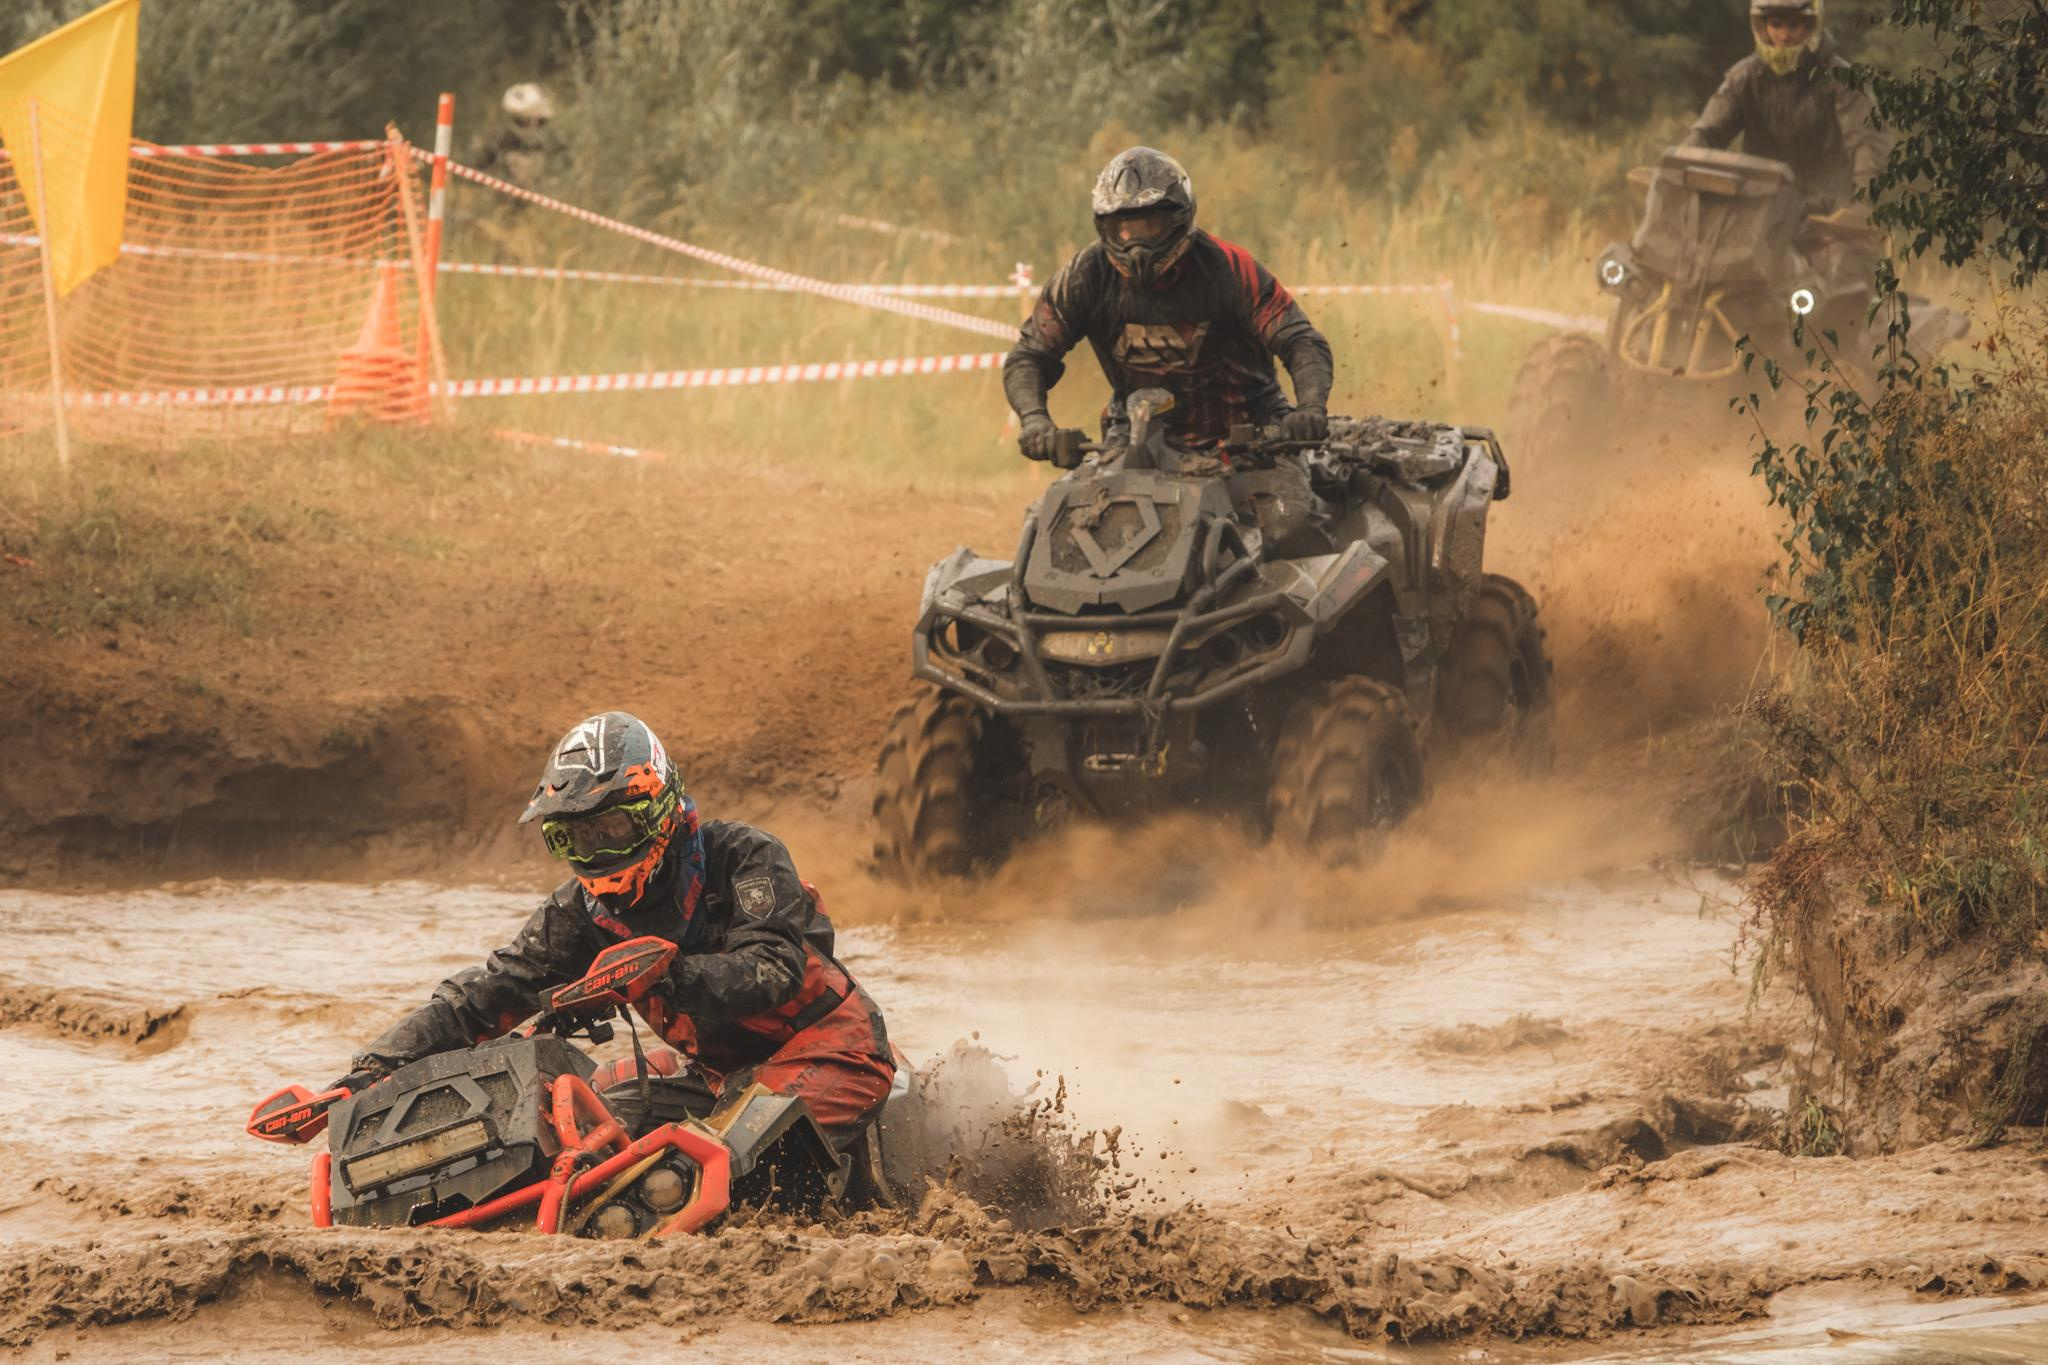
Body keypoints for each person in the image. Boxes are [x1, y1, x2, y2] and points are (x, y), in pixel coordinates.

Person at [331, 712, 895, 1147]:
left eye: (613, 829)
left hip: (834, 1046)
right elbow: (482, 998)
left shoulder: (745, 857)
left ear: (659, 810)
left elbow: (773, 969)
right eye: (574, 838)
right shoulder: (577, 913)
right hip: (719, 1072)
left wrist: (666, 976)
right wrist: (371, 1070)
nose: (596, 852)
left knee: (718, 1150)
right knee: (562, 1113)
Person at [1004, 146, 1334, 459]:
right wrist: (1035, 420)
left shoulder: (1230, 268)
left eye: (1149, 226)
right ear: (1104, 227)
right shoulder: (1085, 275)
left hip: (1250, 435)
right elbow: (1030, 355)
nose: (1135, 244)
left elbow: (1300, 340)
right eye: (1123, 228)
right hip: (1135, 440)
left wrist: (1309, 409)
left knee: (1289, 515)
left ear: (1178, 217)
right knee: (1066, 516)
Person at [1681, 1, 1891, 219]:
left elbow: (1867, 144)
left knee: (1848, 251)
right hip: (1761, 210)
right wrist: (1678, 169)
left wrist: (1863, 205)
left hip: (1830, 214)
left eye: (1793, 25)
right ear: (1762, 26)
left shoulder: (1844, 80)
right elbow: (1706, 132)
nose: (1784, 35)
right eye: (1776, 24)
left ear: (1811, 25)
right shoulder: (1744, 77)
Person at [475, 82, 558, 189]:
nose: (535, 124)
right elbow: (479, 169)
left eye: (541, 121)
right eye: (528, 120)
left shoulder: (550, 140)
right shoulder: (501, 140)